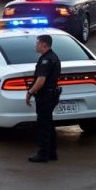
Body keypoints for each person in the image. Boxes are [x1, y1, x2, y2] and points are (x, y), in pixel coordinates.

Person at [26, 35, 61, 163]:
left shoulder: (46, 59)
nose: (36, 45)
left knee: (43, 125)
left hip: (45, 96)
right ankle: (52, 152)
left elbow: (41, 80)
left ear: (44, 45)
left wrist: (30, 92)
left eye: (38, 43)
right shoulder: (53, 57)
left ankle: (43, 154)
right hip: (50, 95)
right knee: (49, 124)